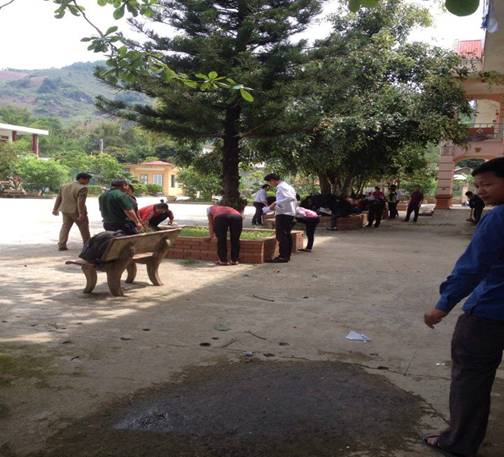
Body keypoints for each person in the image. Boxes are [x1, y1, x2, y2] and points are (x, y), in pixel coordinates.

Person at [423, 157, 504, 457]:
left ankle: (459, 442)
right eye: (478, 185)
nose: (481, 190)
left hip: (489, 312)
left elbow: (473, 266)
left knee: (471, 378)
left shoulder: (498, 218)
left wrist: (443, 305)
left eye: (488, 184)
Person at [52, 172, 92, 251]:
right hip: (76, 211)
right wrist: (81, 213)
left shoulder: (64, 186)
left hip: (65, 210)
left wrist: (55, 209)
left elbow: (59, 198)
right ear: (81, 179)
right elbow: (80, 202)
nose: (88, 181)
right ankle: (87, 245)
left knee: (65, 227)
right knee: (84, 228)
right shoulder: (82, 188)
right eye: (87, 180)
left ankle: (61, 244)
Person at [264, 173, 297, 263]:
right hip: (288, 213)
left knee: (281, 235)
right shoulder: (288, 186)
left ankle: (283, 256)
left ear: (272, 180)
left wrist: (276, 203)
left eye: (269, 182)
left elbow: (291, 198)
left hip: (284, 214)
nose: (270, 184)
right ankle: (286, 256)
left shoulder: (282, 187)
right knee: (286, 235)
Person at [207, 201, 244, 266]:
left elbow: (211, 223)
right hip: (237, 217)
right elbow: (241, 216)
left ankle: (223, 261)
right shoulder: (227, 207)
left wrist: (211, 235)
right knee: (235, 239)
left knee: (221, 239)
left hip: (220, 217)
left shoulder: (209, 209)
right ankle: (234, 260)